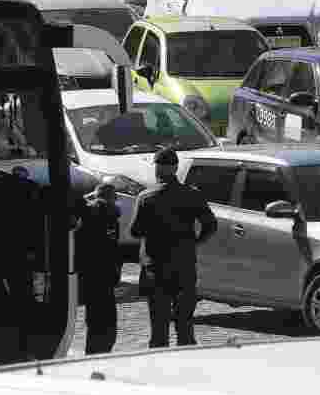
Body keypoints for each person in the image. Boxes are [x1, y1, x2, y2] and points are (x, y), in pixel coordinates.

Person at [130, 147, 217, 348]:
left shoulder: (146, 197)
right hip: (183, 266)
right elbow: (211, 225)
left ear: (157, 169)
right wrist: (195, 242)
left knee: (159, 326)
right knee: (185, 324)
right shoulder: (192, 195)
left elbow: (134, 231)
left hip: (156, 268)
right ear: (176, 168)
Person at [76, 181, 123, 354]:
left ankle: (93, 349)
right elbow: (113, 248)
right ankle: (103, 348)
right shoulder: (111, 214)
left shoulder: (88, 212)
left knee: (94, 316)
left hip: (89, 271)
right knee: (107, 316)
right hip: (106, 272)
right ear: (112, 198)